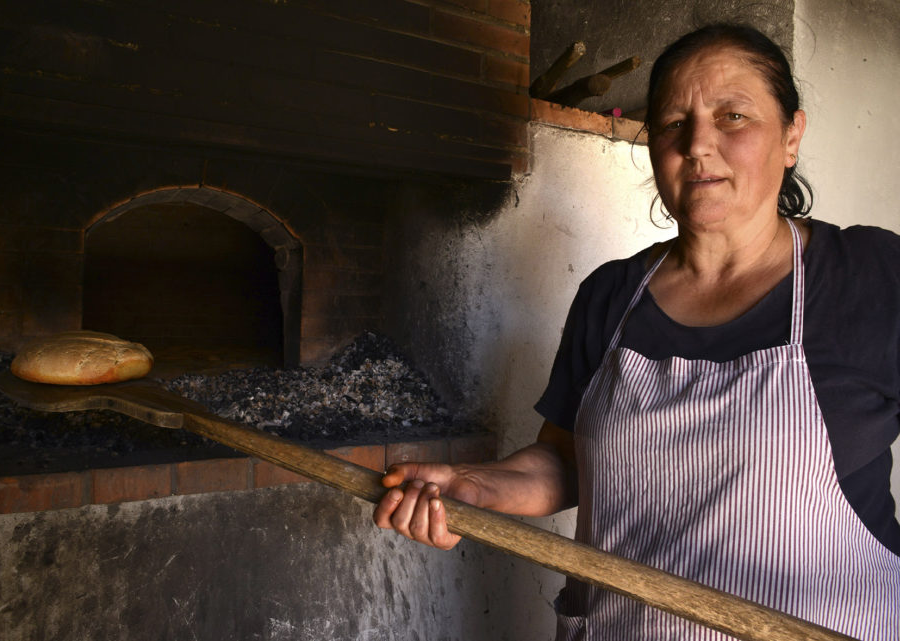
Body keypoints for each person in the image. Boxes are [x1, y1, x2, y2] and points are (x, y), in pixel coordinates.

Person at [372, 23, 900, 640]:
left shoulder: (870, 276)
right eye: (675, 123)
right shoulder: (612, 295)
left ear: (791, 135)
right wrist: (474, 485)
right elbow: (566, 462)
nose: (699, 145)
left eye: (733, 116)